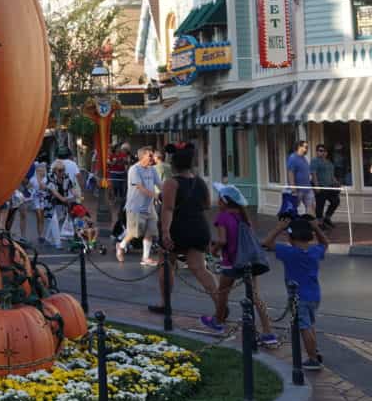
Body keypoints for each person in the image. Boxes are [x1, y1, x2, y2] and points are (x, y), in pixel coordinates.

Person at [205, 183, 278, 345]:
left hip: (231, 261)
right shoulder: (243, 216)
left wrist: (214, 249)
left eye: (219, 197)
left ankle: (218, 322)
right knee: (255, 296)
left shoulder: (223, 217)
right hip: (247, 261)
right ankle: (268, 331)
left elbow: (223, 240)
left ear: (224, 201)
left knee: (222, 292)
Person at [153, 145, 220, 318]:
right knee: (199, 268)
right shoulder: (200, 182)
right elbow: (206, 204)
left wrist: (166, 232)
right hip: (199, 226)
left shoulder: (171, 183)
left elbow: (168, 209)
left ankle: (165, 303)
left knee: (166, 263)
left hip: (178, 227)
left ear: (174, 163)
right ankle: (220, 304)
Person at [262, 216, 328, 370]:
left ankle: (313, 359)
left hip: (299, 297)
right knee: (310, 325)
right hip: (314, 295)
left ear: (291, 238)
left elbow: (266, 243)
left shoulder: (289, 252)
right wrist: (316, 228)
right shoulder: (315, 251)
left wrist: (279, 228)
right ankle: (314, 351)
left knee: (304, 327)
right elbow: (325, 243)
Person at [117, 147, 160, 266]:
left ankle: (145, 258)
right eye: (150, 155)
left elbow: (160, 184)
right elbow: (140, 187)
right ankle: (121, 246)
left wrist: (168, 192)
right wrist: (155, 195)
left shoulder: (152, 170)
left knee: (150, 231)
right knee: (135, 232)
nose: (152, 157)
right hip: (135, 207)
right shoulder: (134, 169)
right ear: (142, 157)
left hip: (149, 206)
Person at [45, 160, 75, 249]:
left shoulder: (66, 177)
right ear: (54, 170)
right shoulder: (50, 177)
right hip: (51, 202)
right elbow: (54, 192)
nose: (62, 172)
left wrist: (76, 195)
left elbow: (71, 187)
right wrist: (64, 199)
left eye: (63, 170)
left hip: (61, 204)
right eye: (60, 170)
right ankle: (58, 243)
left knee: (56, 220)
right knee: (54, 221)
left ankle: (47, 238)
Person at [310, 144, 339, 231]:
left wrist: (336, 182)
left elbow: (332, 175)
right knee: (320, 205)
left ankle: (327, 218)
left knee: (335, 201)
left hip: (330, 187)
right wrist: (316, 186)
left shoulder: (329, 162)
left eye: (324, 151)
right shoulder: (315, 161)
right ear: (317, 152)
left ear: (326, 153)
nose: (322, 153)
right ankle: (319, 223)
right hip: (321, 186)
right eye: (320, 150)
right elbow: (313, 174)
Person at [286, 141, 314, 217]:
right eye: (305, 147)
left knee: (311, 207)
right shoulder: (293, 157)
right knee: (293, 208)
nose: (307, 149)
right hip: (298, 189)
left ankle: (310, 225)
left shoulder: (304, 158)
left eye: (307, 147)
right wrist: (293, 188)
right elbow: (290, 173)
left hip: (307, 188)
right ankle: (289, 226)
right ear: (299, 147)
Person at [28, 162, 49, 244]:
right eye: (38, 170)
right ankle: (40, 234)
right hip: (36, 199)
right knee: (39, 216)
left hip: (44, 200)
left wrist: (40, 179)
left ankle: (41, 235)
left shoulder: (45, 179)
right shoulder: (32, 179)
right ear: (36, 171)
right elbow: (28, 187)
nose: (40, 172)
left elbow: (42, 187)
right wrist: (31, 191)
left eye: (42, 170)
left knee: (42, 218)